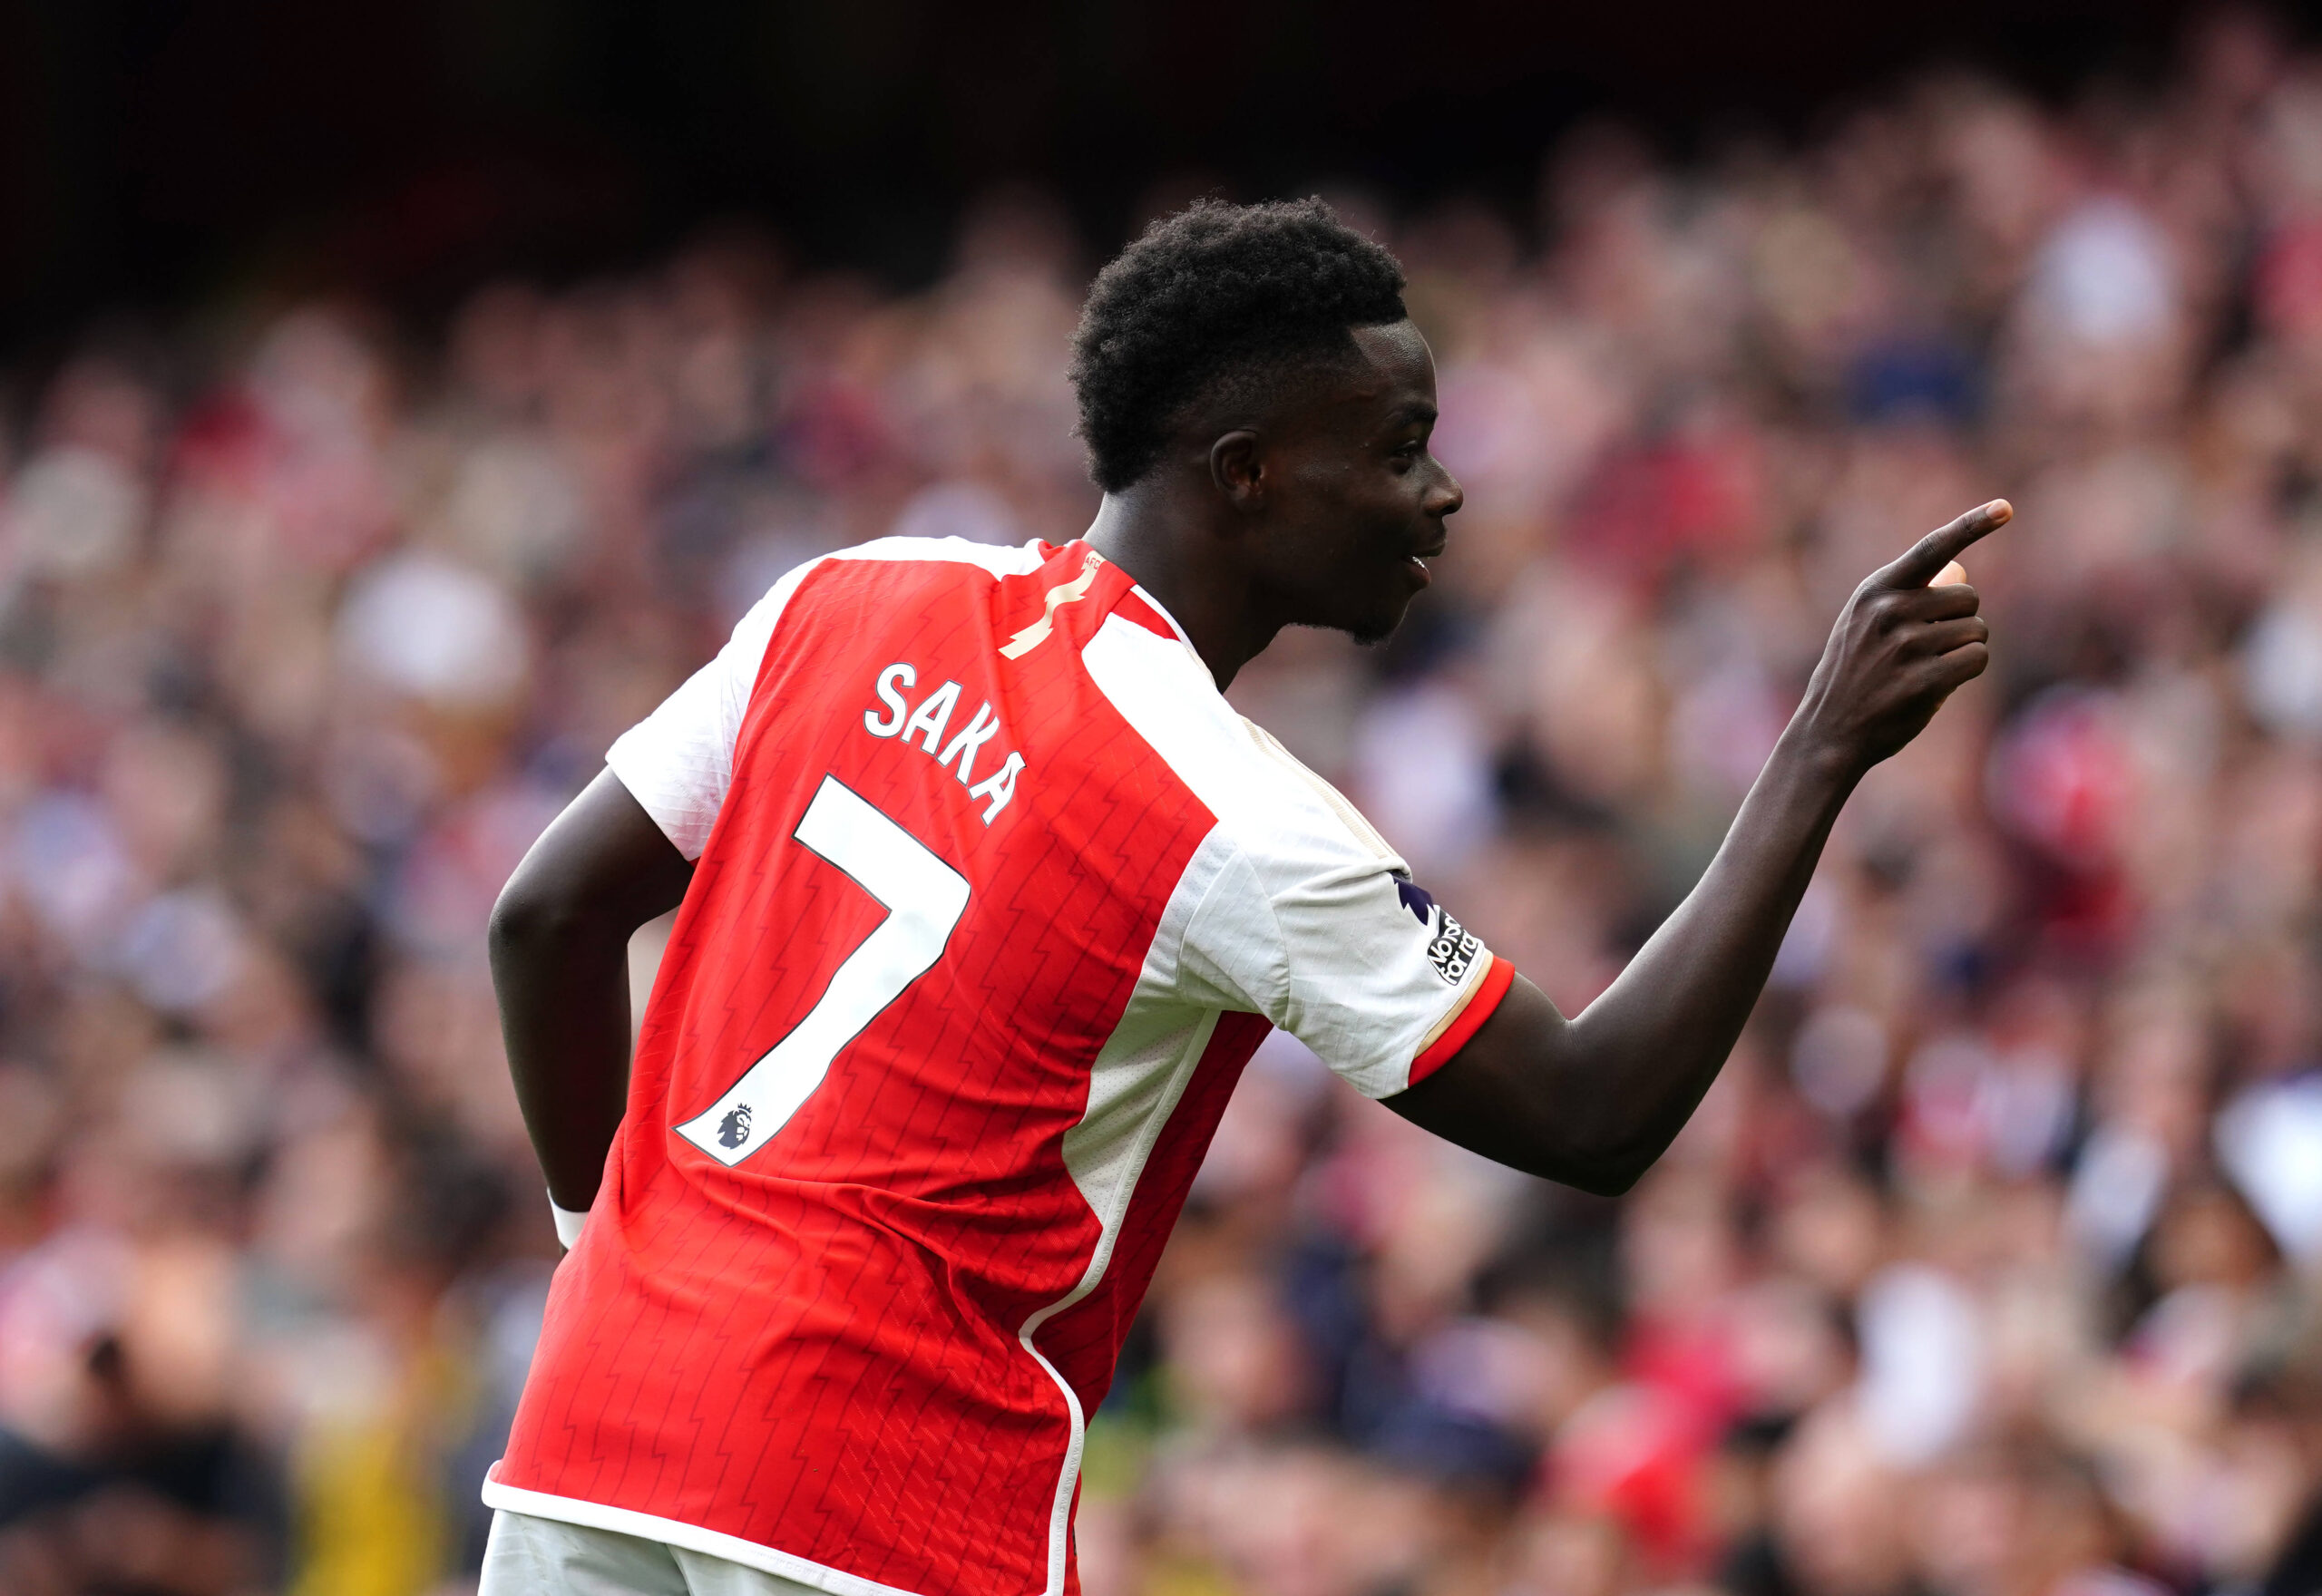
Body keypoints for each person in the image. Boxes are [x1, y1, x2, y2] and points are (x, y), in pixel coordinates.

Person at [476, 197, 2006, 1596]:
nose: (1444, 491)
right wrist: (1817, 753)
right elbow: (1593, 1112)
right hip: (880, 1493)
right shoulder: (1231, 812)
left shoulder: (849, 593)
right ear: (1250, 473)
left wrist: (599, 1241)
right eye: (1401, 445)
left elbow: (544, 915)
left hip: (593, 1430)